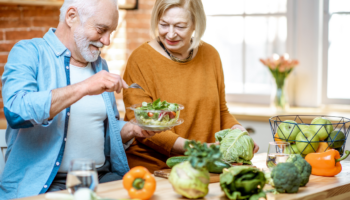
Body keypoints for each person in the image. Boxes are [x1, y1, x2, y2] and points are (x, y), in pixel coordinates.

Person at [0, 0, 156, 199]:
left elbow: (100, 132)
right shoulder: (29, 52)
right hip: (47, 185)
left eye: (112, 32)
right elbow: (16, 111)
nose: (107, 41)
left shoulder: (100, 66)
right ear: (71, 16)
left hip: (102, 178)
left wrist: (133, 129)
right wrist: (84, 87)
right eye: (101, 29)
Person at [123, 0, 259, 173]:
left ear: (196, 24)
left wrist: (239, 133)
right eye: (164, 24)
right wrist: (198, 149)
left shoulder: (210, 55)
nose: (170, 34)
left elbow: (221, 111)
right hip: (156, 169)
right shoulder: (140, 59)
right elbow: (143, 125)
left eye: (180, 26)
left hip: (204, 166)